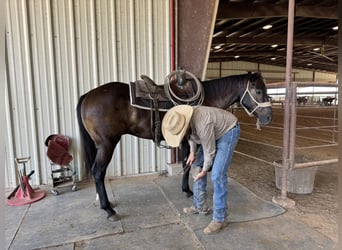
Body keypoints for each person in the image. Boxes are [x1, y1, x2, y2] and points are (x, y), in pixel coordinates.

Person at [162, 105, 240, 235]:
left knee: (217, 175)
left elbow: (209, 151)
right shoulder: (184, 120)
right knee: (196, 166)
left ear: (185, 125)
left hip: (228, 131)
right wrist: (192, 152)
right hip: (213, 131)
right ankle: (200, 206)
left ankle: (220, 219)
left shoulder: (203, 123)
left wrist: (204, 171)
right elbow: (191, 135)